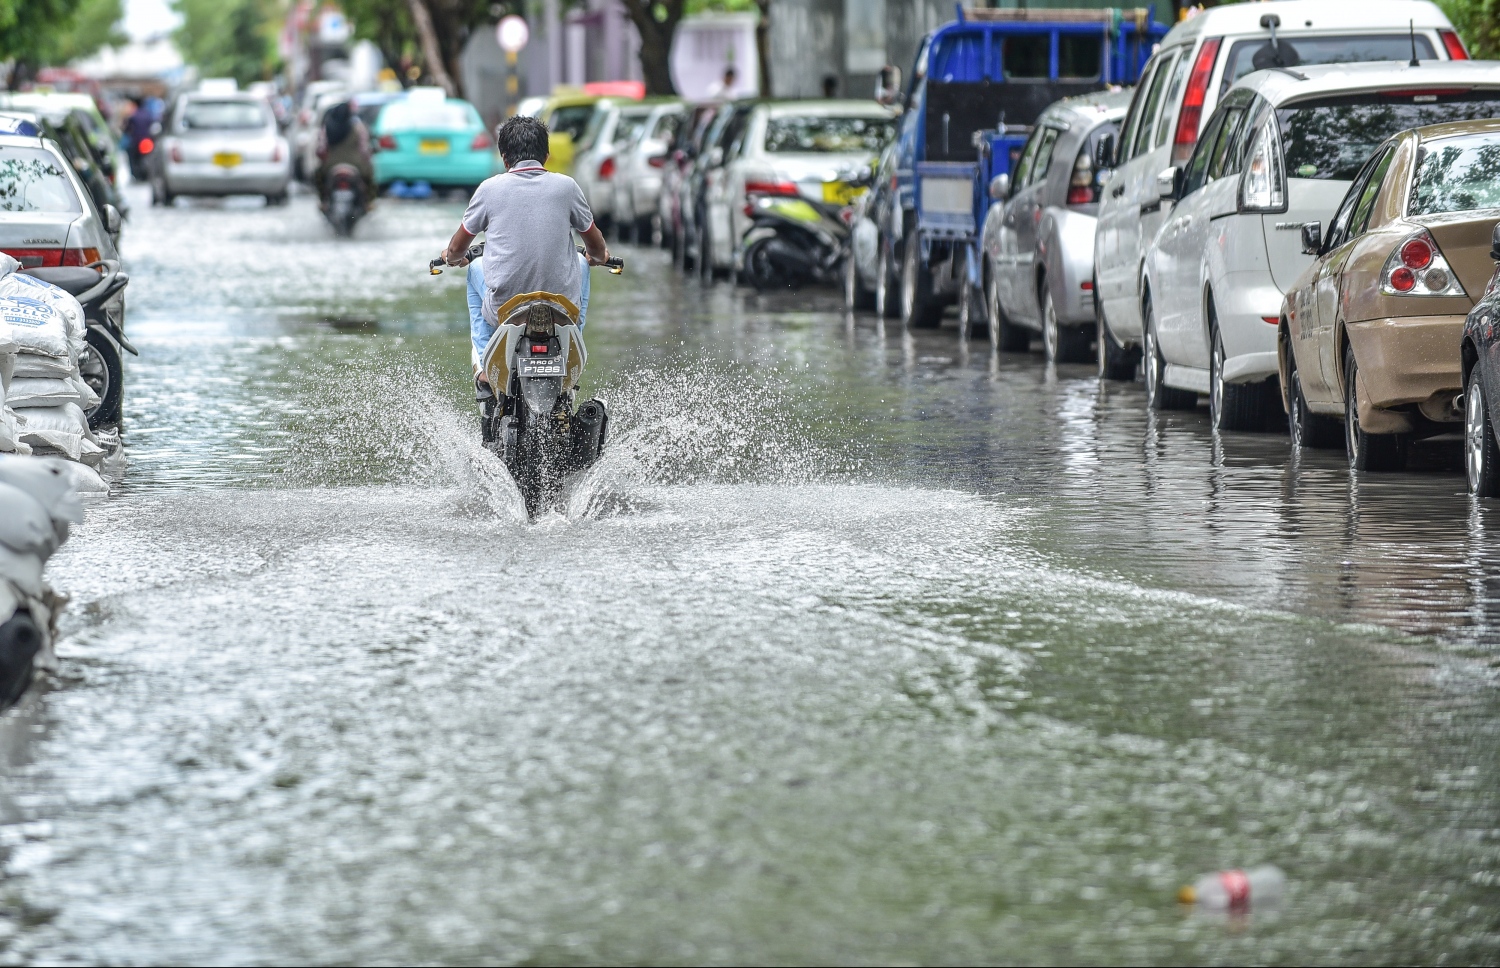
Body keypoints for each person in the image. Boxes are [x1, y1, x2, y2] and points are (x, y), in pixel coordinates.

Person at [439, 115, 610, 386]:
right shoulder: (567, 187)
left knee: (473, 268)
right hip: (561, 309)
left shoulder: (489, 189)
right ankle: (571, 347)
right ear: (546, 155)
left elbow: (457, 248)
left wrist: (453, 258)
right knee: (583, 263)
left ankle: (485, 367)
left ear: (504, 157)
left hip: (505, 309)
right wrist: (598, 258)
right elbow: (597, 247)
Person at [312, 102, 374, 211]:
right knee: (370, 174)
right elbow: (364, 149)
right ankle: (369, 202)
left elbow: (320, 150)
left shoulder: (327, 128)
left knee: (318, 175)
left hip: (330, 165)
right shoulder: (358, 128)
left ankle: (323, 202)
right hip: (356, 164)